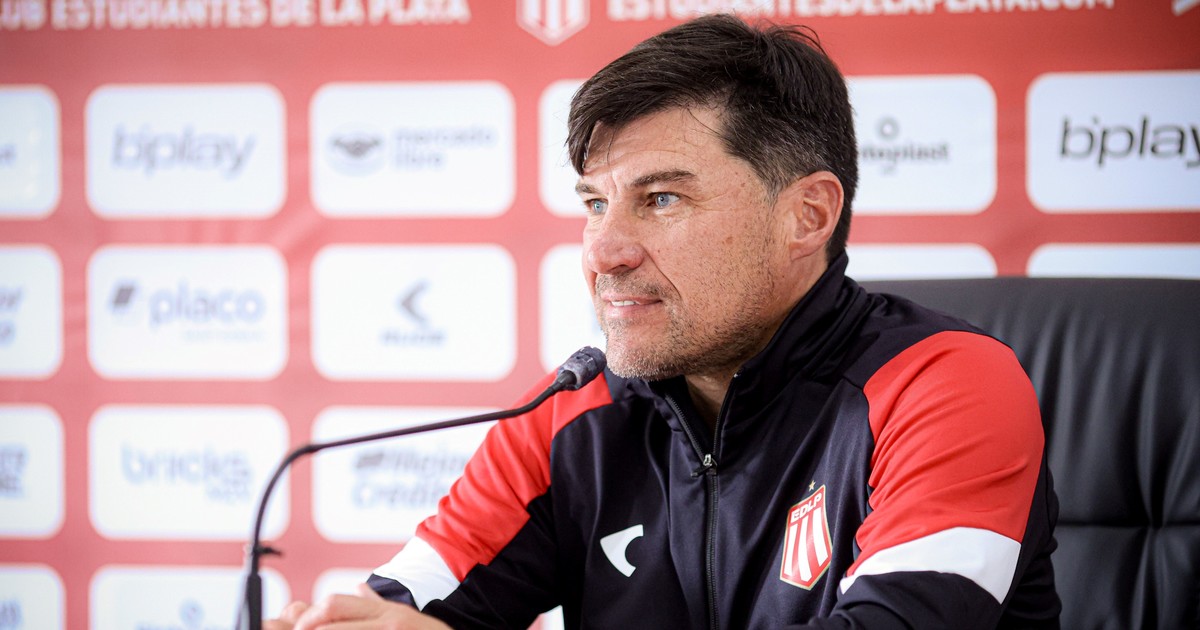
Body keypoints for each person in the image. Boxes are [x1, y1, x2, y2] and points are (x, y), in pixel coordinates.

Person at [269, 13, 1060, 629]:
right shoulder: (569, 413)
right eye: (595, 203)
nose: (602, 252)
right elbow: (408, 607)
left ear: (807, 215)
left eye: (661, 198)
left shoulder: (945, 385)